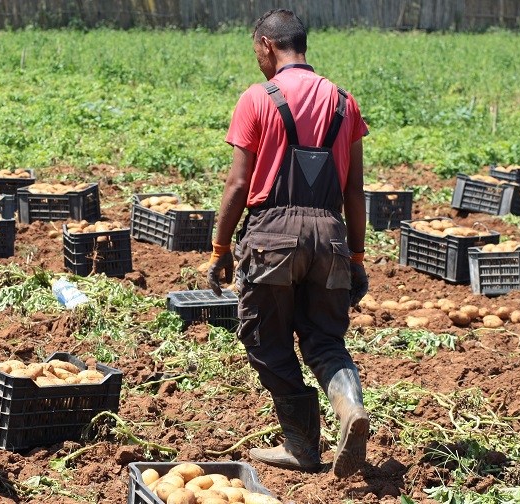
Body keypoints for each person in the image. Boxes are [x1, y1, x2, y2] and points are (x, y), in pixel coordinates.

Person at [207, 9, 370, 478]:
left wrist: (220, 251)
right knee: (324, 339)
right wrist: (355, 257)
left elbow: (238, 186)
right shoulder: (344, 102)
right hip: (330, 234)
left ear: (265, 45)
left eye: (255, 51)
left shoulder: (258, 98)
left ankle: (301, 444)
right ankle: (350, 409)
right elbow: (355, 190)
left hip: (272, 236)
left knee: (267, 340)